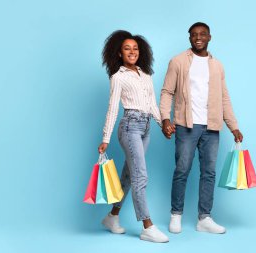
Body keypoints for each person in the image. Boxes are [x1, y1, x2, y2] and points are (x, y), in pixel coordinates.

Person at [159, 22, 244, 234]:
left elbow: (224, 97)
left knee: (209, 172)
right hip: (186, 125)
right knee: (182, 169)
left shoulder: (217, 66)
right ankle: (176, 214)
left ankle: (204, 218)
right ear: (189, 38)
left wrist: (233, 126)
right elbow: (167, 91)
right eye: (194, 35)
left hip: (212, 126)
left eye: (202, 34)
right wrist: (165, 119)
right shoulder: (178, 61)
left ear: (209, 37)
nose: (198, 37)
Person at [98, 30, 169, 243]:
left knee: (129, 177)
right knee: (140, 176)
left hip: (146, 127)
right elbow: (112, 108)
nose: (132, 51)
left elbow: (152, 105)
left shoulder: (145, 75)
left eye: (135, 48)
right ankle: (147, 226)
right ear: (119, 53)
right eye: (127, 48)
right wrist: (105, 138)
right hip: (129, 128)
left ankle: (112, 217)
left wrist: (163, 123)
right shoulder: (118, 77)